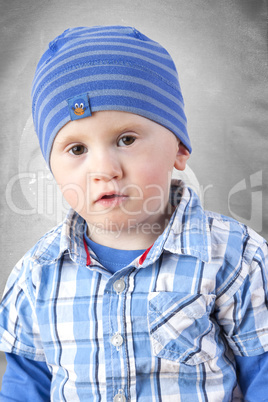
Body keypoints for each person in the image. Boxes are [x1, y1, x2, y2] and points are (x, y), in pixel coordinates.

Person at [0, 25, 267, 402]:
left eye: (126, 140)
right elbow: (25, 385)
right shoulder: (36, 275)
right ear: (52, 168)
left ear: (179, 148)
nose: (104, 169)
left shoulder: (235, 257)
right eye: (77, 149)